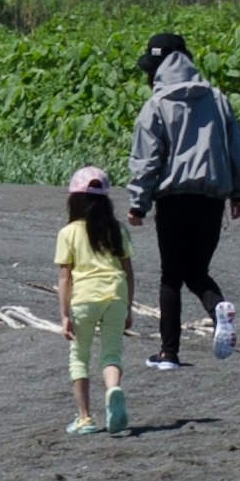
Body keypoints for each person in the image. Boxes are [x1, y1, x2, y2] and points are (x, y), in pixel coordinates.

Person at [124, 30, 240, 365]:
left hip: (173, 200)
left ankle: (169, 353)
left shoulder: (157, 106)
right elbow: (238, 151)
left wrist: (139, 203)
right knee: (195, 269)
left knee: (171, 276)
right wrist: (238, 193)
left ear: (159, 68)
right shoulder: (218, 99)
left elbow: (147, 160)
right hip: (212, 201)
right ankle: (217, 307)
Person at [53, 167, 135, 436]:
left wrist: (64, 314)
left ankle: (85, 418)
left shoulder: (68, 233)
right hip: (115, 295)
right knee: (111, 353)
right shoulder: (117, 229)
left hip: (84, 298)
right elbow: (128, 271)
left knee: (79, 357)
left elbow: (65, 278)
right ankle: (113, 390)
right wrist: (128, 306)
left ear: (74, 200)